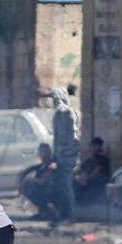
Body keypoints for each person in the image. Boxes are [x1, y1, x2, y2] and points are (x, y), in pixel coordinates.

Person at [50, 86, 81, 225]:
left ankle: (69, 216)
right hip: (60, 157)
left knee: (66, 188)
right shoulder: (59, 113)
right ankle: (62, 215)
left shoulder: (65, 112)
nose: (55, 100)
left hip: (67, 157)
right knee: (60, 188)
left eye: (56, 97)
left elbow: (71, 138)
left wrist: (62, 157)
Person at [20, 143, 56, 220]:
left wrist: (29, 180)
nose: (40, 153)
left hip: (52, 191)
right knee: (29, 187)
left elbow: (43, 181)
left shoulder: (52, 164)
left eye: (42, 151)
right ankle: (42, 211)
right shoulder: (42, 165)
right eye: (40, 151)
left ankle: (46, 212)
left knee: (31, 188)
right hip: (44, 189)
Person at [74, 137, 110, 205]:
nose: (92, 148)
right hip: (87, 187)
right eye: (92, 146)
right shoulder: (88, 161)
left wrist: (82, 179)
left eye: (96, 146)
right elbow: (77, 170)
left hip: (97, 188)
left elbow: (94, 175)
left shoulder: (102, 160)